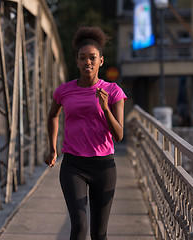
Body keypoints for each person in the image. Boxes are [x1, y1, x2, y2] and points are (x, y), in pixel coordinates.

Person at [45, 26, 127, 240]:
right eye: (83, 58)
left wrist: (105, 108)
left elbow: (119, 135)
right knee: (79, 227)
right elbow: (53, 115)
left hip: (104, 166)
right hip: (73, 165)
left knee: (99, 234)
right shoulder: (64, 90)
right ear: (77, 61)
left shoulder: (113, 91)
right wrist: (52, 149)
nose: (87, 62)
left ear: (101, 60)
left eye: (92, 58)